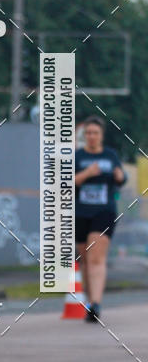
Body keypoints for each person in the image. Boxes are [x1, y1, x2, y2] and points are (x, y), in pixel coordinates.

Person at [75, 116, 126, 323]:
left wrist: (120, 175)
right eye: (88, 133)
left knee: (96, 258)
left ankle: (96, 304)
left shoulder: (110, 155)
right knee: (85, 261)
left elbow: (121, 178)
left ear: (101, 135)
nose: (92, 136)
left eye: (95, 133)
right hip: (80, 213)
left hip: (104, 212)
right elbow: (67, 182)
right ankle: (90, 303)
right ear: (84, 135)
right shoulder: (78, 157)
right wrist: (87, 173)